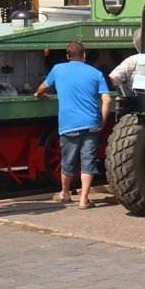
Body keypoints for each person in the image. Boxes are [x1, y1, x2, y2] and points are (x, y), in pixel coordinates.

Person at [35, 41, 111, 210]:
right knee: (88, 162)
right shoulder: (96, 73)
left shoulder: (58, 69)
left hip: (69, 124)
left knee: (68, 161)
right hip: (91, 124)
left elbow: (43, 87)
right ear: (84, 56)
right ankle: (84, 200)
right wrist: (103, 121)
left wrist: (39, 93)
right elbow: (107, 100)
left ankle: (65, 193)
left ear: (68, 56)